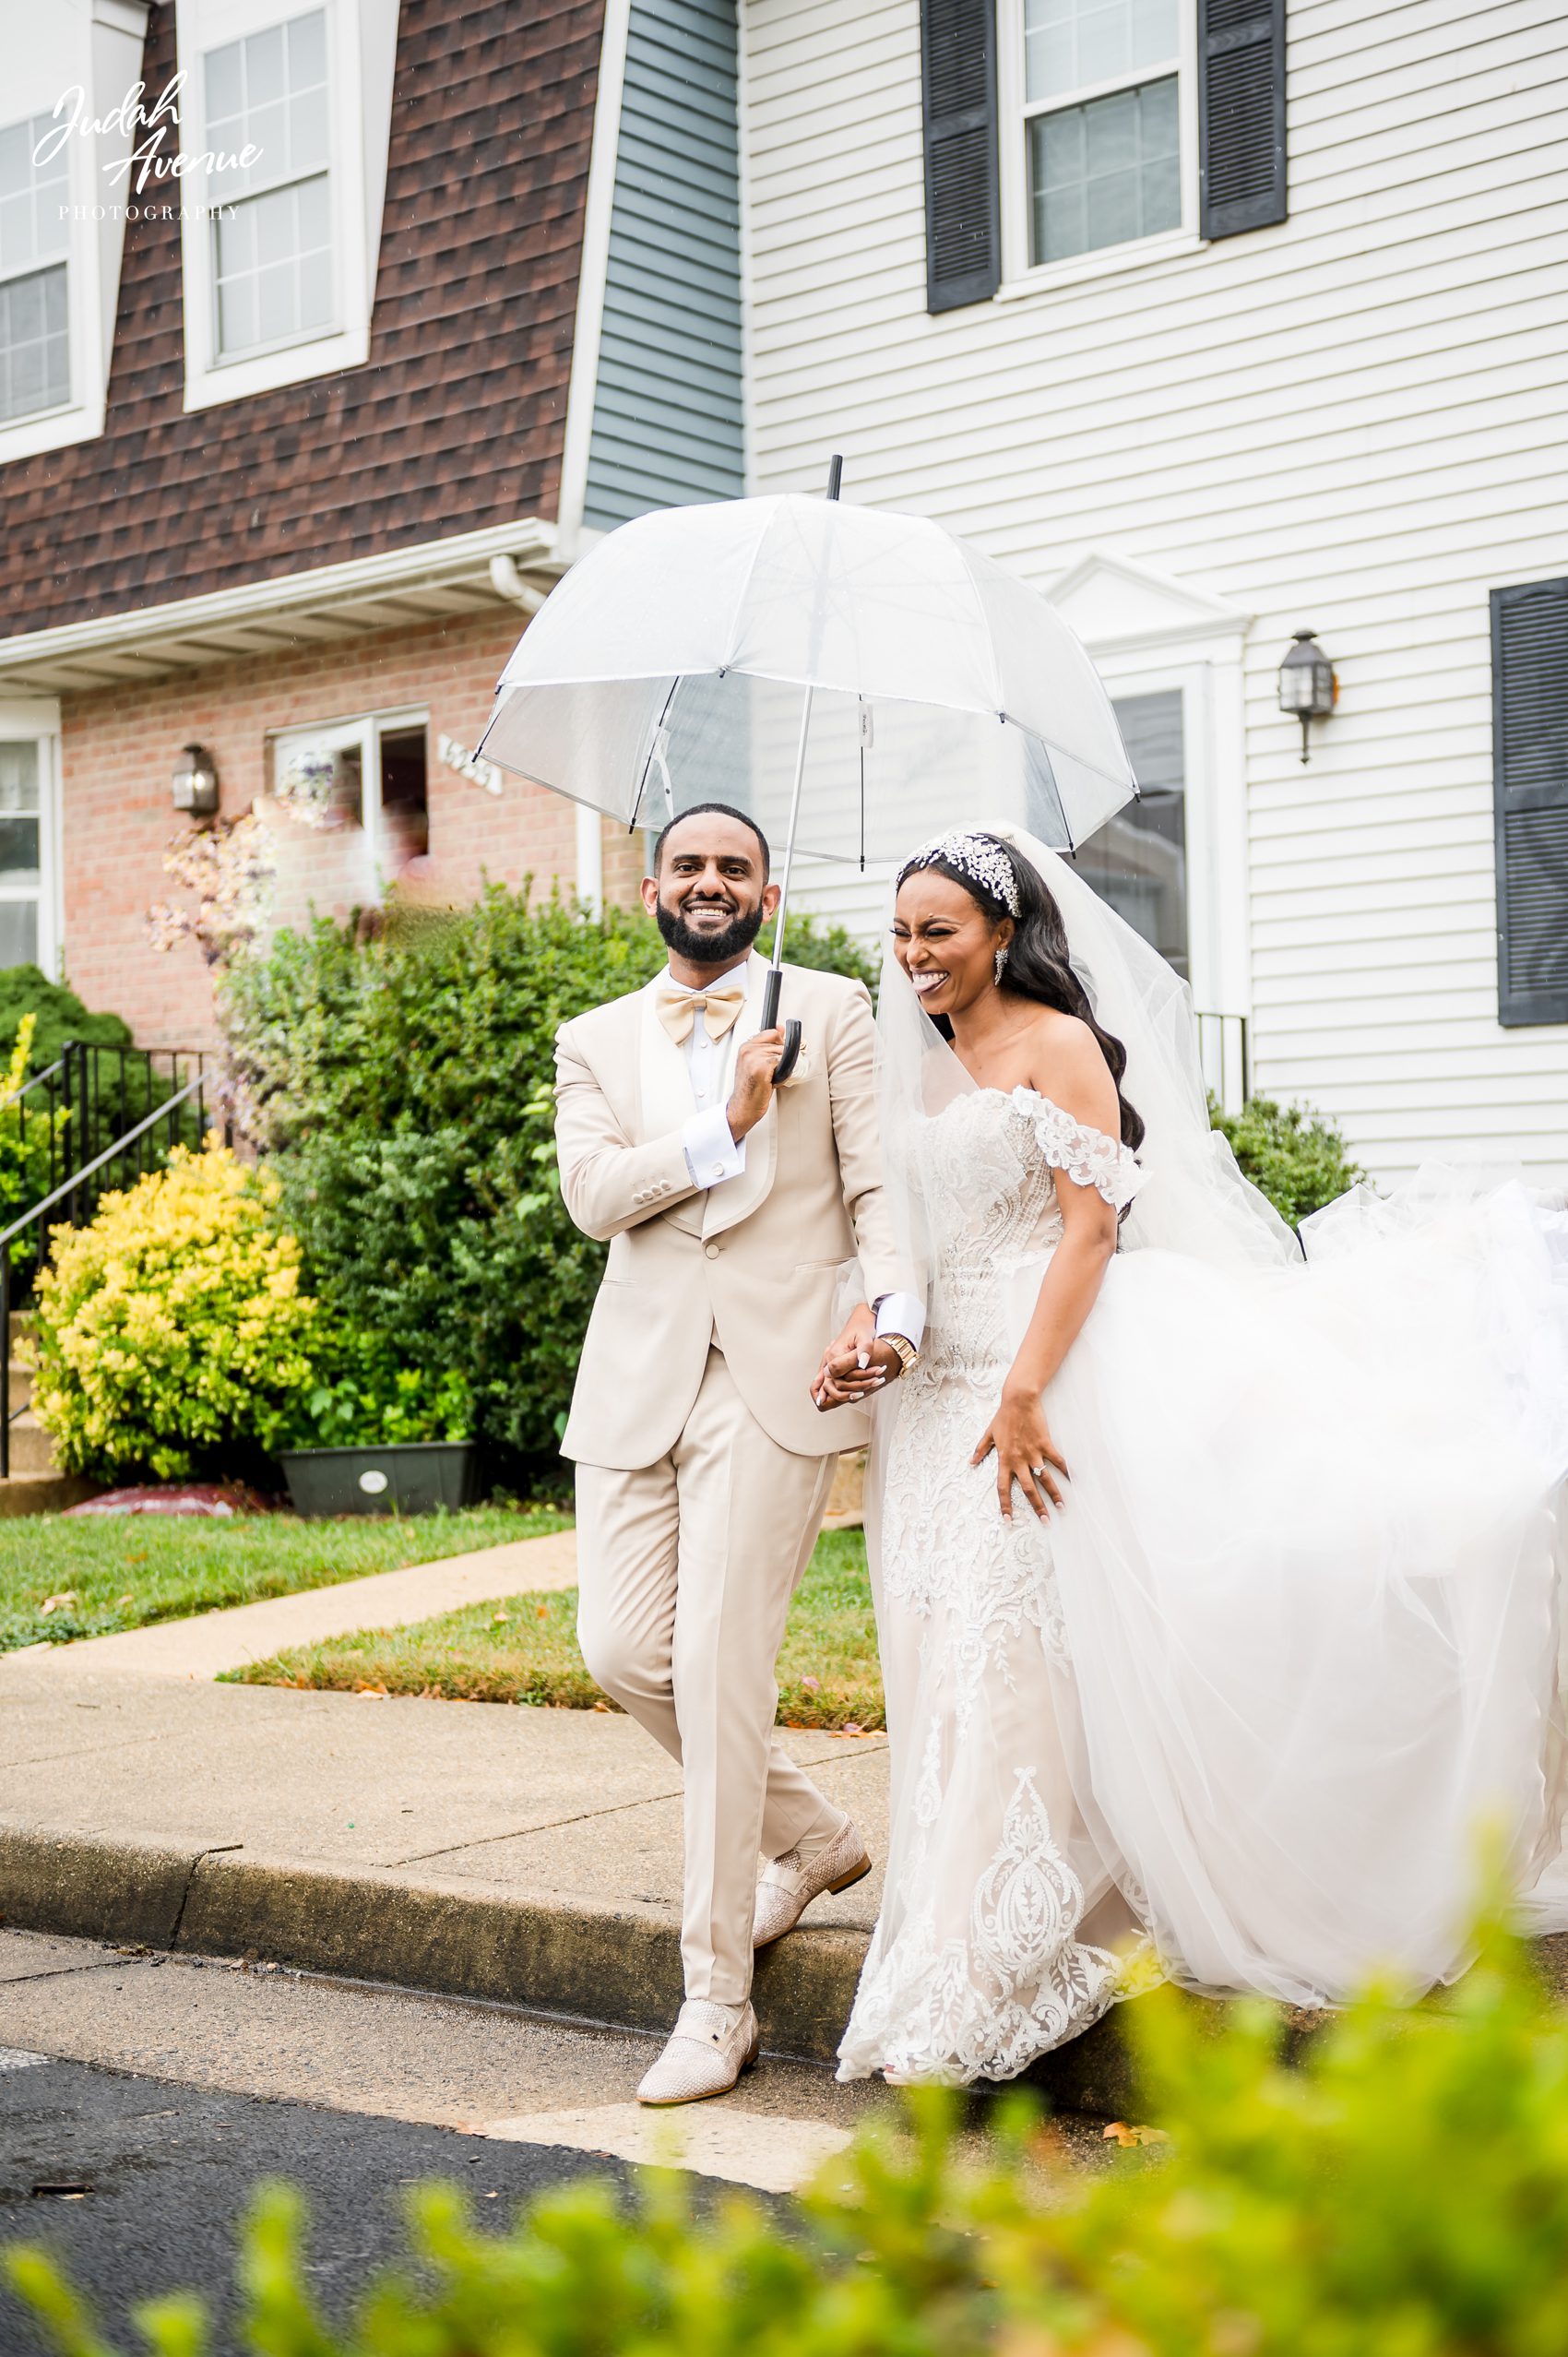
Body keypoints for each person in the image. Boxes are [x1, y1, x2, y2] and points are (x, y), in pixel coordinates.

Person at [837, 825, 1568, 2088]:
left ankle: (990, 1953)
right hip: (935, 1392)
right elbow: (893, 1233)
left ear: (1001, 934)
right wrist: (874, 1330)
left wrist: (1022, 1391)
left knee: (1018, 1653)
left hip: (1046, 1375)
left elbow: (1087, 1234)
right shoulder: (912, 1065)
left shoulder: (1056, 1047)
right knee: (950, 1653)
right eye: (901, 934)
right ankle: (989, 1910)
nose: (915, 957)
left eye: (939, 932)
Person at [553, 802, 922, 2106]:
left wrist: (895, 1312)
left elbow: (878, 1185)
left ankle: (716, 2002)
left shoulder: (834, 1008)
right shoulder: (595, 1040)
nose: (709, 883)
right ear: (649, 888)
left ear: (768, 893)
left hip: (777, 1381)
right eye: (689, 865)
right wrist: (729, 1115)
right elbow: (595, 1198)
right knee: (620, 1651)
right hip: (638, 1381)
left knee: (716, 1671)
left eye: (735, 869)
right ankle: (813, 1836)